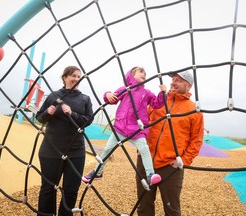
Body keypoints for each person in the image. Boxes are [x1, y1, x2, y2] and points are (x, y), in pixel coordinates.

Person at [82, 66, 166, 187]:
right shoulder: (125, 89)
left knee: (144, 149)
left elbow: (157, 104)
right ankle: (98, 172)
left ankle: (150, 175)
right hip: (120, 127)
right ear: (132, 75)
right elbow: (112, 99)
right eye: (141, 72)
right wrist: (108, 94)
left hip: (137, 129)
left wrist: (162, 93)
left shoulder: (146, 93)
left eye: (145, 73)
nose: (144, 74)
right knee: (107, 150)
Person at [136, 70, 204, 216]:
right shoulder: (158, 102)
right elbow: (144, 123)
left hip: (171, 165)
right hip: (146, 161)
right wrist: (140, 146)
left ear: (189, 86)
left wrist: (183, 160)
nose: (173, 82)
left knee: (172, 208)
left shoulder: (193, 110)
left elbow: (196, 140)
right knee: (143, 206)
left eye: (179, 80)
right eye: (173, 79)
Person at [35, 66, 94, 216]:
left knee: (71, 190)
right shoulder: (54, 96)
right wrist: (48, 113)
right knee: (48, 188)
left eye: (78, 76)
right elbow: (40, 117)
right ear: (65, 77)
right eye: (73, 75)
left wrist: (72, 114)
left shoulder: (85, 99)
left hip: (75, 151)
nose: (76, 79)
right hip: (51, 149)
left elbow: (88, 120)